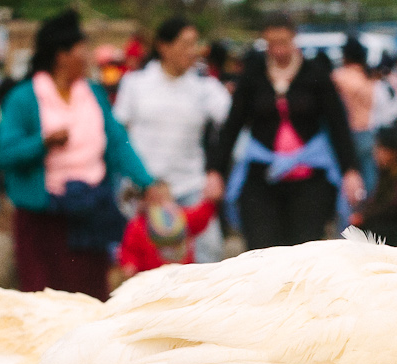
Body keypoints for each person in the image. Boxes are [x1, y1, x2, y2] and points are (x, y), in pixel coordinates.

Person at [0, 8, 154, 298]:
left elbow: (117, 142)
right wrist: (42, 142)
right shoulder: (24, 98)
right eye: (82, 49)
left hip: (89, 212)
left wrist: (147, 181)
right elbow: (4, 154)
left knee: (90, 297)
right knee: (44, 298)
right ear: (61, 55)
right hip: (43, 216)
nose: (88, 56)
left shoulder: (92, 93)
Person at [210, 13, 362, 250]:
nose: (278, 50)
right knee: (262, 247)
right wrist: (215, 171)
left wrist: (350, 170)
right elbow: (232, 126)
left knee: (305, 249)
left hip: (309, 177)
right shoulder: (253, 76)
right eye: (272, 44)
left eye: (283, 43)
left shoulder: (316, 74)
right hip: (262, 175)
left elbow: (338, 125)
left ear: (294, 39)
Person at [114, 17, 231, 262]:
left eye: (195, 44)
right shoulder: (135, 84)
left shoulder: (205, 87)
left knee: (209, 254)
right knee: (151, 263)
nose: (193, 51)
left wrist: (215, 172)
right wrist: (134, 181)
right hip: (147, 191)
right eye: (186, 44)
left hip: (191, 187)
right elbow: (118, 135)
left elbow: (233, 124)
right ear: (163, 47)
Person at [114, 182, 217, 285]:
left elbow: (198, 218)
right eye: (155, 199)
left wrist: (209, 203)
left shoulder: (180, 218)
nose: (161, 204)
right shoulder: (137, 225)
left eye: (165, 198)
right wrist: (130, 264)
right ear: (144, 201)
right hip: (151, 281)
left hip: (183, 277)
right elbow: (129, 249)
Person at [330, 37, 379, 194]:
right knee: (369, 176)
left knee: (348, 176)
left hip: (349, 133)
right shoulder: (367, 77)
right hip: (367, 131)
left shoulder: (339, 77)